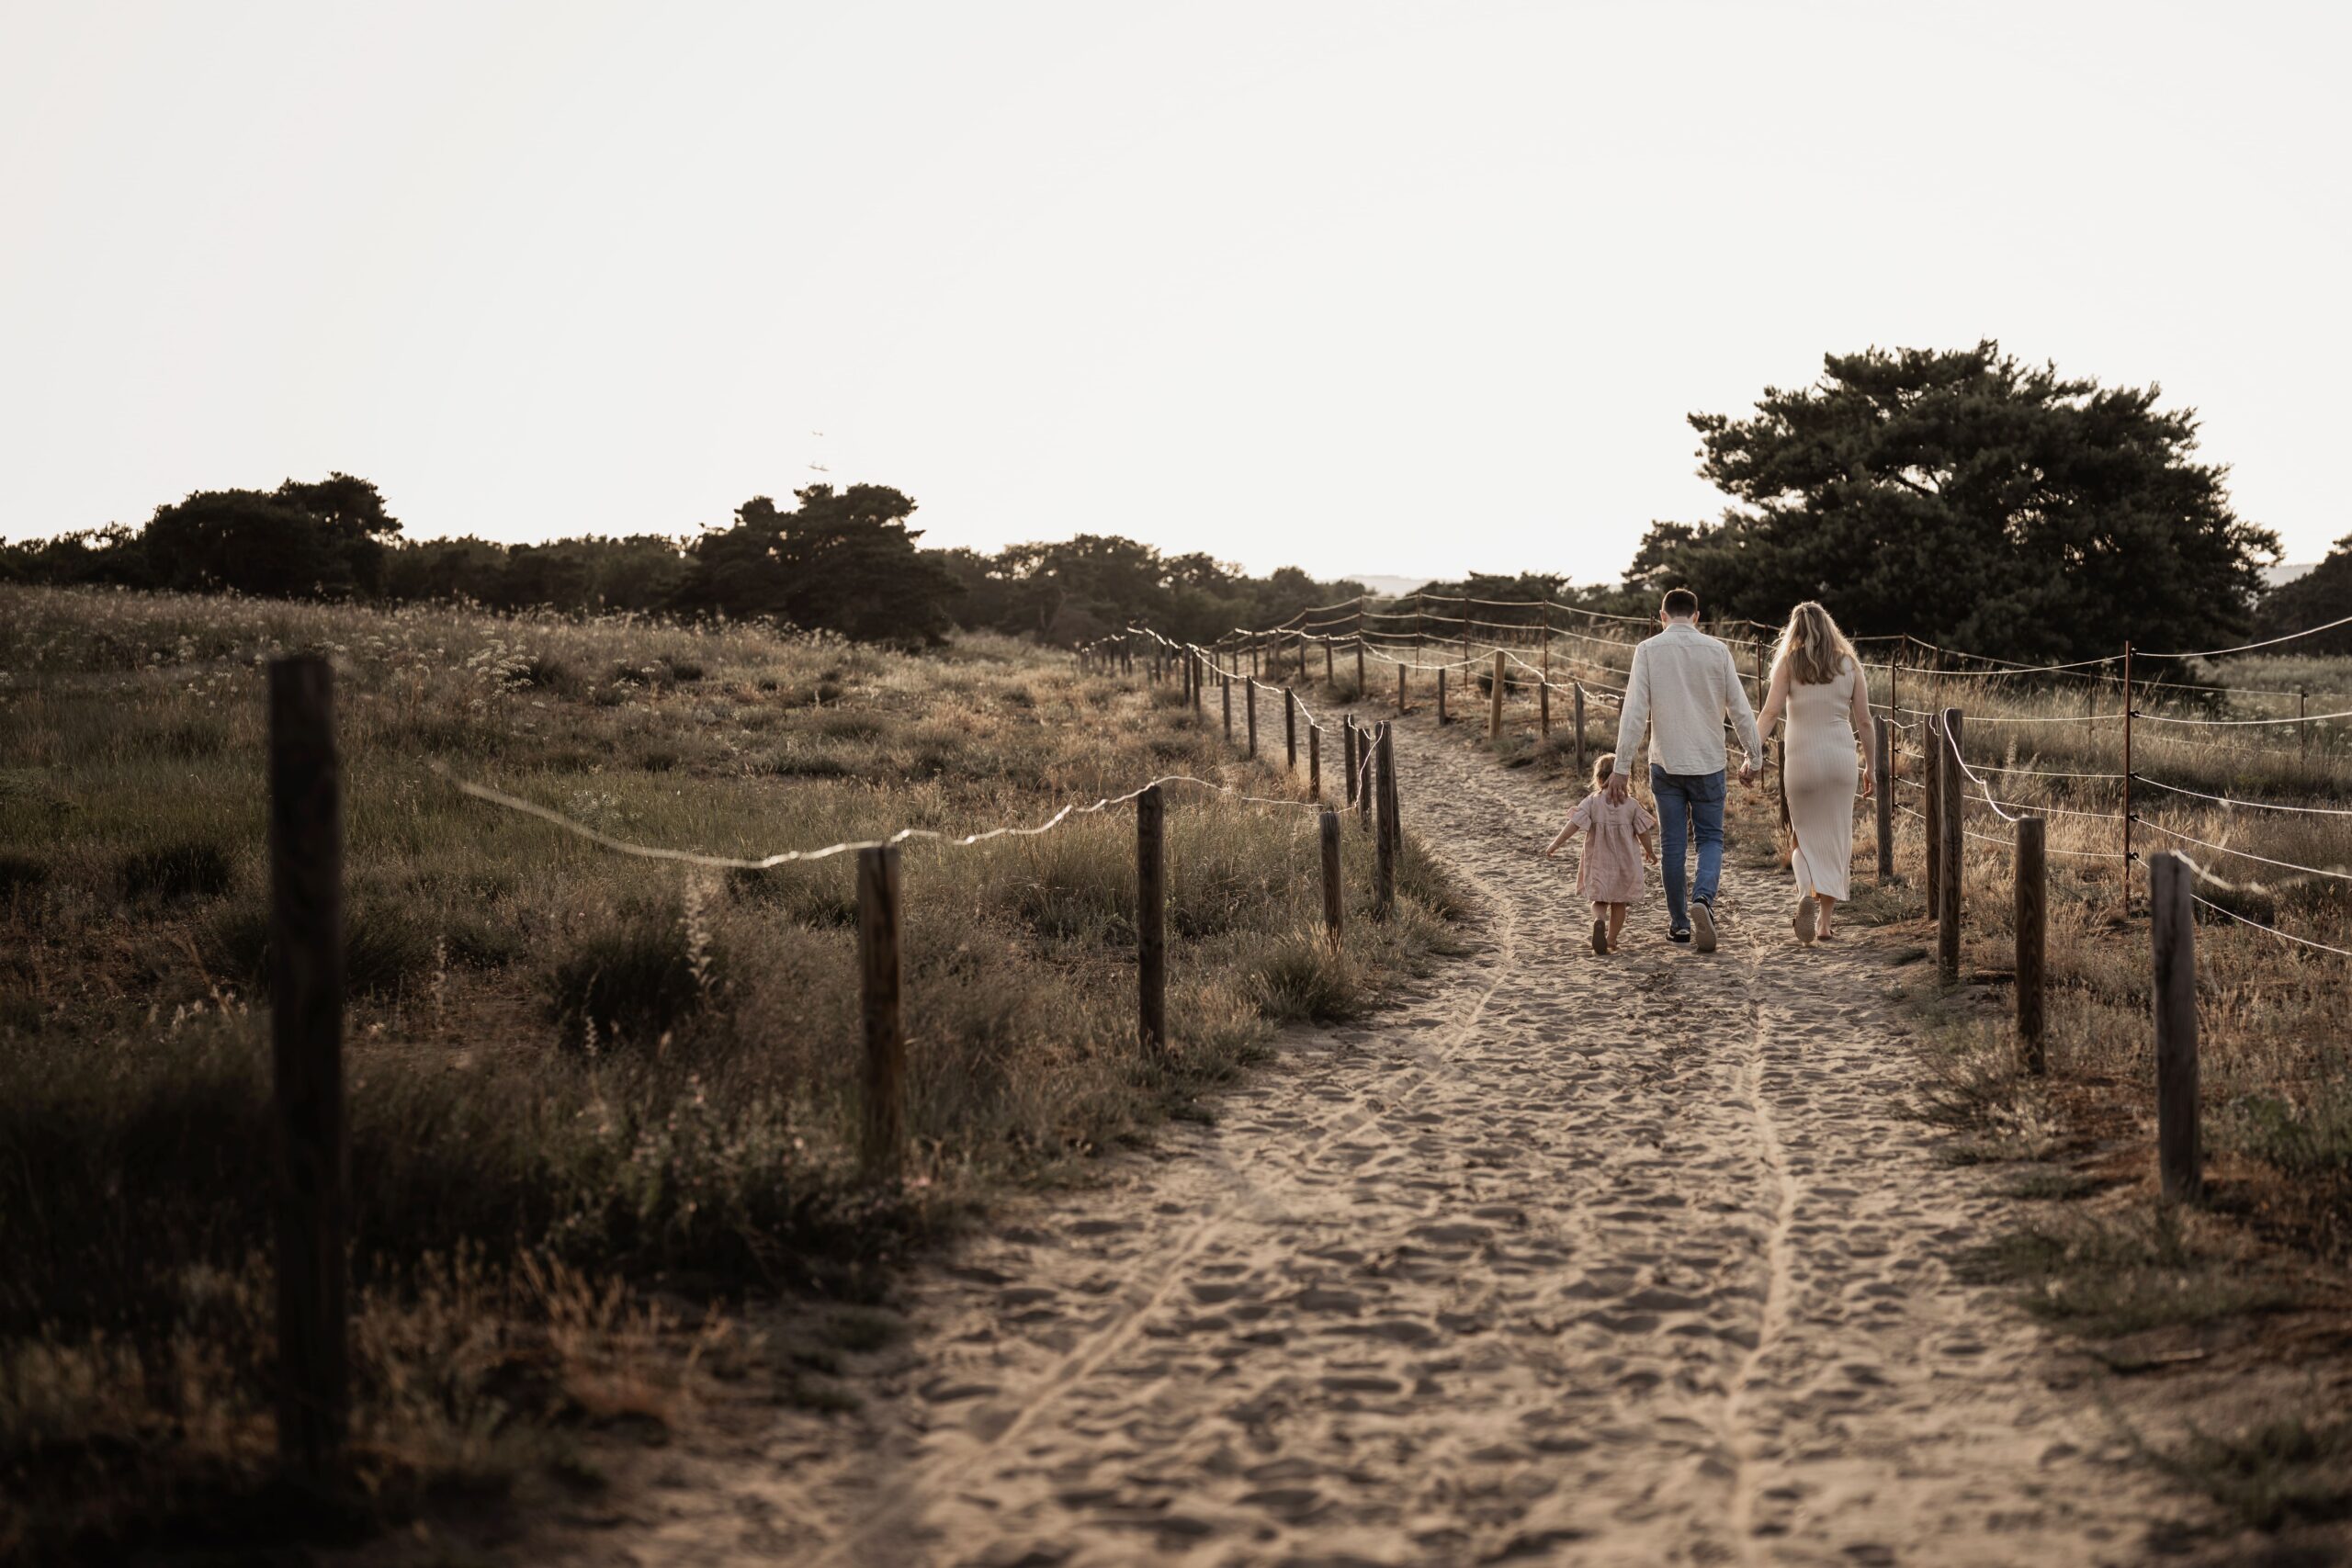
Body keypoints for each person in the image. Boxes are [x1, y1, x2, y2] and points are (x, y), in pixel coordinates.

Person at [1605, 588, 1764, 951]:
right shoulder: (1718, 650)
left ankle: (1678, 925)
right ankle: (1703, 900)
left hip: (1666, 763)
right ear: (1696, 616)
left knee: (1673, 845)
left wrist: (1621, 766)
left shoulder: (1647, 650)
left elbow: (1634, 713)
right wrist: (1753, 758)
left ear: (1662, 616)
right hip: (1709, 763)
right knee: (1710, 839)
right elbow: (1740, 709)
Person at [1754, 600, 1878, 942]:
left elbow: (1769, 714)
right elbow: (1865, 721)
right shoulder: (1849, 664)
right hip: (1840, 761)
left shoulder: (1789, 665)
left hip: (1802, 762)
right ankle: (1823, 923)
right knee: (1837, 840)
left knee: (1801, 838)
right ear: (1829, 628)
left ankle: (1804, 894)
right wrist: (1872, 766)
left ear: (1794, 631)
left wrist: (1753, 755)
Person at [1543, 750, 1658, 954]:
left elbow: (1573, 825)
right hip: (1625, 863)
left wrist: (1555, 844)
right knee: (1619, 902)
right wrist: (1650, 852)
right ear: (1624, 779)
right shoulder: (1631, 805)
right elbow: (1644, 832)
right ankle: (1611, 940)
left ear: (1598, 778)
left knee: (1599, 900)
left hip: (1598, 861)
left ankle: (1598, 920)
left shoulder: (1592, 801)